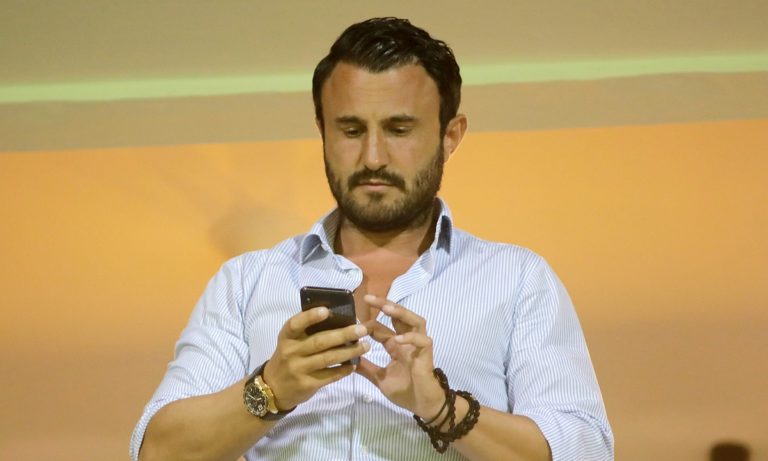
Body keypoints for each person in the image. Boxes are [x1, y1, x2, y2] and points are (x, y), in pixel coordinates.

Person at [131, 17, 613, 461]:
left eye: (399, 129)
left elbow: (586, 450)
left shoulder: (517, 279)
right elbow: (156, 452)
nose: (374, 156)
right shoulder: (245, 282)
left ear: (450, 136)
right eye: (351, 129)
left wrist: (442, 408)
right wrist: (272, 389)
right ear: (323, 131)